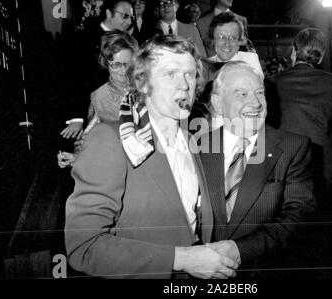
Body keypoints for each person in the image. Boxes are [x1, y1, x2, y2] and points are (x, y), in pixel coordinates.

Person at [64, 34, 239, 279]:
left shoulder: (192, 142)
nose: (184, 85)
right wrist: (182, 259)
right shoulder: (110, 140)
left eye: (189, 74)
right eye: (171, 73)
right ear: (144, 83)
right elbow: (84, 248)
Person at [198, 61, 316, 278]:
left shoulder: (293, 148)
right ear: (217, 103)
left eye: (259, 93)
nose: (256, 103)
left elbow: (299, 216)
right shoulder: (196, 148)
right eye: (242, 94)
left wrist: (241, 249)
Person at [265, 28, 332, 207]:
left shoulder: (272, 82)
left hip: (285, 164)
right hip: (325, 167)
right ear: (321, 56)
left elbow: (268, 129)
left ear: (293, 51)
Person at [58, 31, 138, 168]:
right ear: (106, 64)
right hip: (120, 165)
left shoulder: (147, 88)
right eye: (116, 65)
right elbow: (88, 136)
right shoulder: (100, 96)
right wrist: (76, 157)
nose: (123, 71)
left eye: (128, 64)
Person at [60, 0, 134, 141]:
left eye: (131, 17)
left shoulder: (129, 41)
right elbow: (73, 77)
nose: (129, 21)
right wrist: (76, 117)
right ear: (108, 13)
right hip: (89, 114)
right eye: (125, 15)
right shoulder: (83, 38)